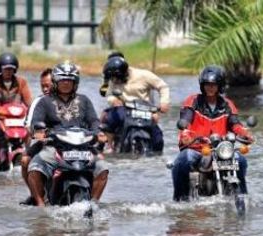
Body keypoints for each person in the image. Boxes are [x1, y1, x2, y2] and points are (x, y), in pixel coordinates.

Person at [27, 61, 109, 207]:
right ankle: (40, 206)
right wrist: (39, 132)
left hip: (83, 147)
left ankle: (94, 204)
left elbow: (94, 121)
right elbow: (36, 121)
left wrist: (99, 133)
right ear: (55, 81)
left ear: (75, 82)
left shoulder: (84, 100)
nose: (66, 83)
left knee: (102, 168)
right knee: (34, 168)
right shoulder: (45, 102)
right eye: (62, 80)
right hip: (54, 147)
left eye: (69, 80)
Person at [171, 65, 254, 202]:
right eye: (207, 84)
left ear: (219, 86)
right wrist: (185, 133)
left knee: (241, 160)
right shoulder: (193, 101)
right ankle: (180, 200)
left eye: (213, 85)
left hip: (220, 149)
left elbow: (235, 124)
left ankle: (243, 197)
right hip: (197, 148)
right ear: (202, 85)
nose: (210, 87)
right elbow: (186, 119)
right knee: (184, 160)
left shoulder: (227, 104)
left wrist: (245, 133)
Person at [100, 55, 170, 152]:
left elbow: (163, 86)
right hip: (125, 110)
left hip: (147, 110)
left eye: (117, 79)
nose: (115, 81)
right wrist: (113, 100)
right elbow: (109, 94)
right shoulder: (113, 79)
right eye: (113, 79)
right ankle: (109, 146)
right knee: (109, 119)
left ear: (123, 74)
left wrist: (164, 102)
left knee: (158, 140)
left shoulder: (144, 75)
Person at [0, 52, 33, 171]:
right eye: (6, 69)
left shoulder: (22, 82)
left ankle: (31, 155)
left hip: (18, 119)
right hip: (0, 119)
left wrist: (34, 107)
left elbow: (28, 100)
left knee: (31, 128)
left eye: (11, 69)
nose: (8, 72)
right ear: (0, 69)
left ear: (15, 70)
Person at [20, 68, 53, 204]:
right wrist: (38, 133)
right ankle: (36, 197)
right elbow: (28, 126)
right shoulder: (38, 102)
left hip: (69, 142)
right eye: (43, 86)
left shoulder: (73, 99)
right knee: (25, 161)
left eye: (48, 85)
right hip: (45, 142)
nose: (45, 89)